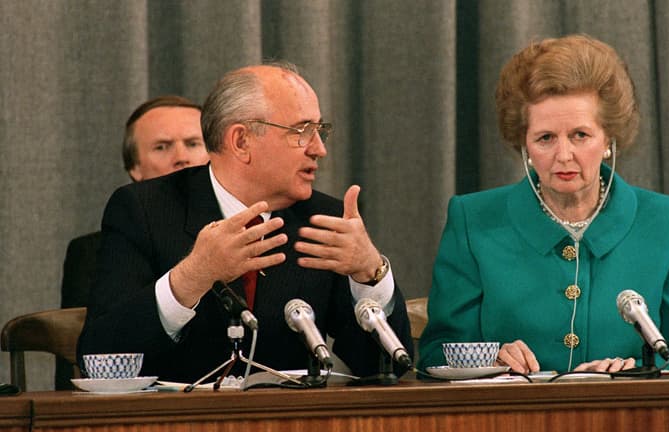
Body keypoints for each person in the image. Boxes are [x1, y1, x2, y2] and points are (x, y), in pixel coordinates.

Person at [77, 62, 412, 383]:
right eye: (302, 131)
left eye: (320, 130)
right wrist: (191, 277)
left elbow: (384, 369)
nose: (319, 149)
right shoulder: (144, 209)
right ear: (241, 142)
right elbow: (102, 357)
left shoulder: (323, 220)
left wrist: (371, 275)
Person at [417, 34, 669, 375]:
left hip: (632, 420)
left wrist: (637, 371)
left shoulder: (667, 221)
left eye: (580, 135)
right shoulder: (472, 221)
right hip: (510, 422)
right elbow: (436, 355)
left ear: (608, 139)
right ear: (524, 147)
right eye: (545, 138)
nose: (563, 155)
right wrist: (492, 358)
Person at [58, 96, 208, 390]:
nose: (181, 157)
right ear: (135, 168)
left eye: (193, 143)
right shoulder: (94, 251)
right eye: (162, 147)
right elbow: (88, 360)